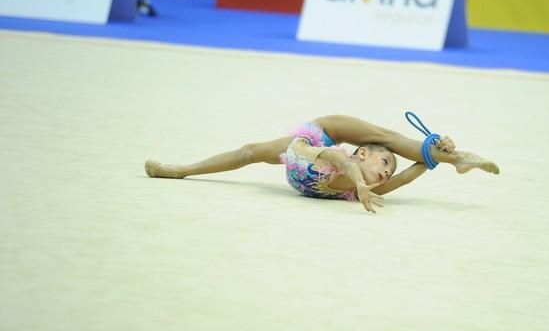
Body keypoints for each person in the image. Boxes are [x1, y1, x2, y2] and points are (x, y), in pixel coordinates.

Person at [145, 115, 499, 213]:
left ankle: (458, 158)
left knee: (395, 142)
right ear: (361, 153)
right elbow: (333, 156)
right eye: (385, 164)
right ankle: (178, 169)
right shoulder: (343, 159)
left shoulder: (371, 187)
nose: (388, 171)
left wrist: (431, 157)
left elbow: (406, 178)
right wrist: (359, 182)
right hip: (311, 145)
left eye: (387, 169)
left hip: (304, 173)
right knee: (250, 152)